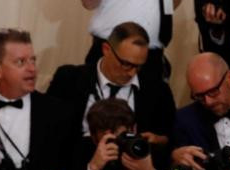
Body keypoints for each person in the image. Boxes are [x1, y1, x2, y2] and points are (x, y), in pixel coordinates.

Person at [48, 22, 175, 151]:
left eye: (139, 66)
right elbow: (48, 129)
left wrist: (160, 141)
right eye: (126, 64)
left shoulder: (157, 90)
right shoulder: (69, 79)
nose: (132, 73)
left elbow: (171, 137)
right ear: (106, 50)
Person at [0, 30, 71, 170]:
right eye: (21, 62)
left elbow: (75, 158)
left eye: (33, 60)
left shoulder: (57, 110)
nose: (32, 68)